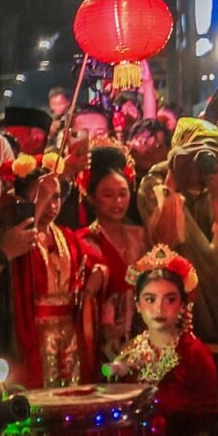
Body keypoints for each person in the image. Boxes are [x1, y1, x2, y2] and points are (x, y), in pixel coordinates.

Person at [138, 118, 218, 343]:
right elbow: (164, 240)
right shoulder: (155, 182)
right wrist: (172, 185)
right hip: (175, 295)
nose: (200, 161)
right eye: (191, 152)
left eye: (208, 153)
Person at [3, 155, 105, 388]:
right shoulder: (18, 239)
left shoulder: (68, 237)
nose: (52, 206)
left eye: (56, 197)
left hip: (70, 333)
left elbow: (93, 267)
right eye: (42, 198)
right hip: (32, 334)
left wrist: (99, 273)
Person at [110, 246, 218, 436]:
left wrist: (157, 409)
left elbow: (208, 413)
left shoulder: (194, 352)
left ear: (183, 304)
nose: (159, 309)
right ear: (138, 304)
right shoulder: (130, 351)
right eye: (150, 299)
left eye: (170, 299)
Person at [78, 145, 147, 362]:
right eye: (108, 195)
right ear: (91, 198)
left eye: (122, 194)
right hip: (100, 338)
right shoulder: (84, 241)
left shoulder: (141, 236)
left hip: (140, 334)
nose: (117, 202)